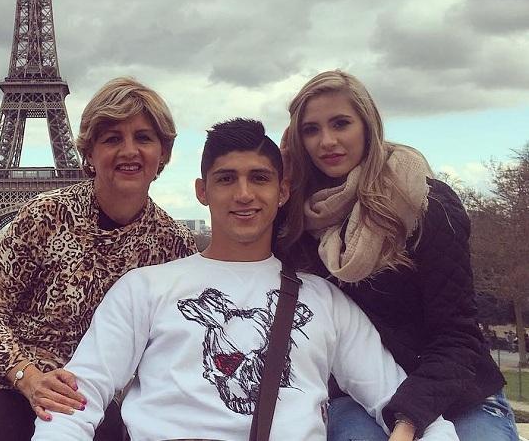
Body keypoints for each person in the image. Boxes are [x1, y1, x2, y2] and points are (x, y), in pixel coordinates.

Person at [32, 118, 457, 440]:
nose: (243, 194)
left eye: (259, 178)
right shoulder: (142, 289)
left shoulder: (324, 300)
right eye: (226, 179)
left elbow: (398, 399)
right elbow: (76, 401)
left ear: (282, 191)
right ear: (202, 191)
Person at [0, 77, 197, 441]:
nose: (129, 151)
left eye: (143, 138)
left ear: (164, 154)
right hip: (2, 379)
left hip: (90, 395)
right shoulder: (44, 215)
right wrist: (28, 377)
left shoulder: (174, 243)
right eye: (112, 139)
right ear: (89, 154)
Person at [280, 70, 518, 441]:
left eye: (341, 123)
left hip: (456, 391)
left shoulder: (424, 203)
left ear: (367, 125)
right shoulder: (299, 217)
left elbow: (456, 335)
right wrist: (282, 170)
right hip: (358, 395)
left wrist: (408, 422)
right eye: (311, 130)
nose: (327, 141)